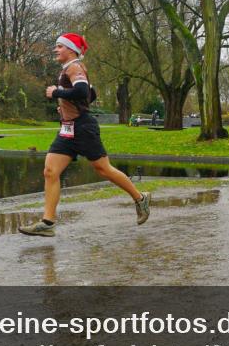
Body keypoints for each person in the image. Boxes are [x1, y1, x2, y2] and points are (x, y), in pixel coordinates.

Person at [20, 32, 150, 237]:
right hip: (67, 129)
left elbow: (81, 92)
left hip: (83, 128)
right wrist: (65, 107)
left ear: (71, 49)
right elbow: (91, 93)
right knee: (50, 171)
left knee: (103, 169)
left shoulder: (74, 67)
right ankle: (48, 222)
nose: (56, 49)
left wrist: (57, 93)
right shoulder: (69, 69)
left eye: (60, 46)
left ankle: (140, 198)